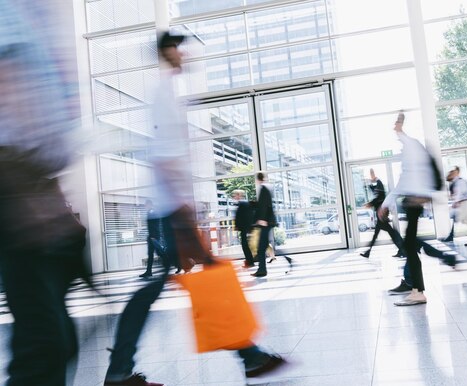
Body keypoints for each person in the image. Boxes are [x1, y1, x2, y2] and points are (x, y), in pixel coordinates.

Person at [104, 32, 285, 386]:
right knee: (203, 276)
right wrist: (184, 216)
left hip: (172, 211)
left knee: (172, 284)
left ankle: (121, 369)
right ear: (165, 53)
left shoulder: (169, 94)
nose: (184, 54)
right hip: (169, 213)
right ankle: (249, 357)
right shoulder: (162, 96)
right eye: (177, 47)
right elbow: (163, 160)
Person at [0, 3, 91, 385]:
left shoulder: (36, 11)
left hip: (35, 182)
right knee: (44, 342)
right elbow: (8, 83)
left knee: (53, 339)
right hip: (16, 185)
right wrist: (26, 191)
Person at [378, 112, 447, 306]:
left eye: (397, 126)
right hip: (412, 202)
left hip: (413, 203)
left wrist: (400, 125)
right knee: (410, 245)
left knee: (409, 245)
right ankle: (416, 288)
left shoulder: (413, 146)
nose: (395, 129)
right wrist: (386, 204)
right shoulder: (411, 151)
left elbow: (411, 179)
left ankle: (418, 290)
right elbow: (402, 183)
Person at [251, 172, 292, 277]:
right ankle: (287, 259)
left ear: (257, 179)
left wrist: (262, 219)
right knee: (264, 245)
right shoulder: (266, 187)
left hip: (265, 222)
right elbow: (263, 205)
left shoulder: (264, 188)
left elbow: (265, 205)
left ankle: (262, 270)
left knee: (261, 247)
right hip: (268, 221)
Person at [359, 169, 406, 259]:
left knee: (391, 234)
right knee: (389, 234)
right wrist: (369, 184)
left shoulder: (379, 184)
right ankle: (402, 250)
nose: (371, 176)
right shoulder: (377, 186)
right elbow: (375, 192)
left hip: (382, 215)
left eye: (372, 174)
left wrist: (370, 204)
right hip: (381, 214)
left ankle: (403, 250)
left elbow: (379, 197)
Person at [445, 166, 467, 243]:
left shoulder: (460, 181)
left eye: (453, 172)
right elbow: (457, 193)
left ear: (456, 173)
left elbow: (461, 192)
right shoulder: (455, 182)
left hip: (464, 202)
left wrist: (456, 202)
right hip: (462, 203)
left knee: (459, 218)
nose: (452, 174)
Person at [233, 190, 255, 268]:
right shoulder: (243, 204)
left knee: (245, 246)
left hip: (244, 228)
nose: (234, 196)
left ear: (239, 195)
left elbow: (244, 217)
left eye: (235, 195)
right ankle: (249, 261)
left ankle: (250, 262)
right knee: (245, 245)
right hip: (244, 228)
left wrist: (238, 226)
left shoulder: (243, 204)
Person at [139, 200, 161, 278]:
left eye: (146, 205)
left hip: (153, 237)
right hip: (152, 236)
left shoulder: (152, 213)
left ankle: (170, 266)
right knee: (151, 254)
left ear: (149, 205)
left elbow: (154, 226)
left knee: (160, 253)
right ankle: (149, 271)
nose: (145, 206)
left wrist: (152, 236)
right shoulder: (151, 212)